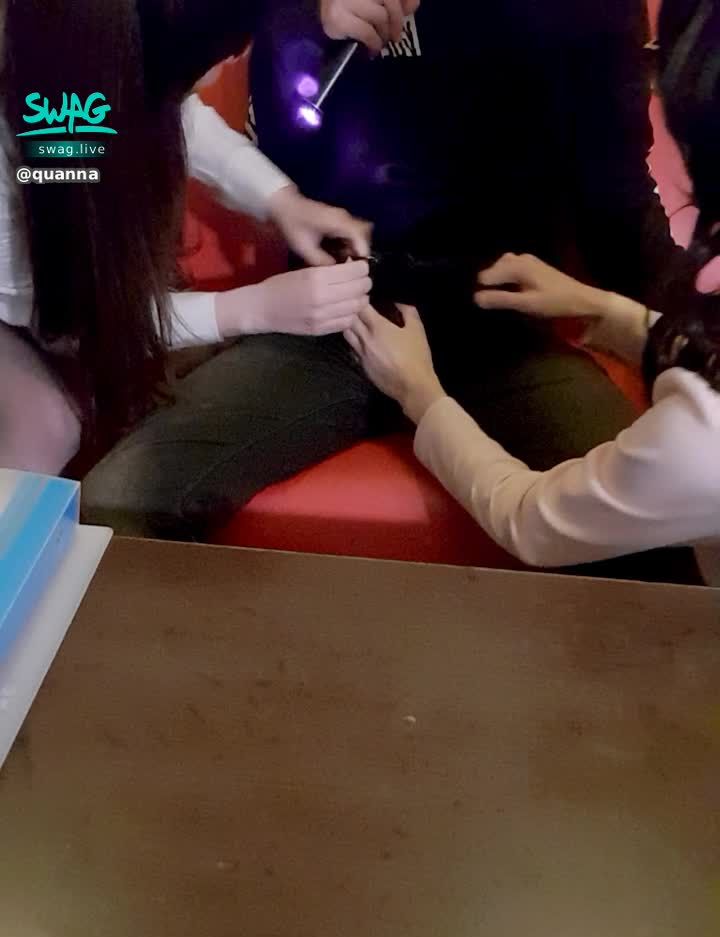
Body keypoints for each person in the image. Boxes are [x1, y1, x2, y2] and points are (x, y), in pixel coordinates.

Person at [82, 0, 680, 568]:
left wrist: (690, 326)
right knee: (113, 504)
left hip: (502, 327)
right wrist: (304, 26)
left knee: (650, 539)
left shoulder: (584, 15)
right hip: (335, 316)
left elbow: (618, 211)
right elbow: (184, 89)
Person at [344, 0, 720, 586]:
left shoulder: (699, 448)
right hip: (342, 315)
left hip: (504, 336)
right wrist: (603, 308)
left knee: (655, 562)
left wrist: (420, 394)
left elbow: (531, 519)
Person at [0, 0, 371, 474]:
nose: (223, 73)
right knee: (47, 428)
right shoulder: (31, 147)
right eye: (214, 60)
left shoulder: (94, 61)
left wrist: (282, 201)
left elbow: (171, 111)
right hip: (30, 309)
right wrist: (250, 309)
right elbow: (72, 322)